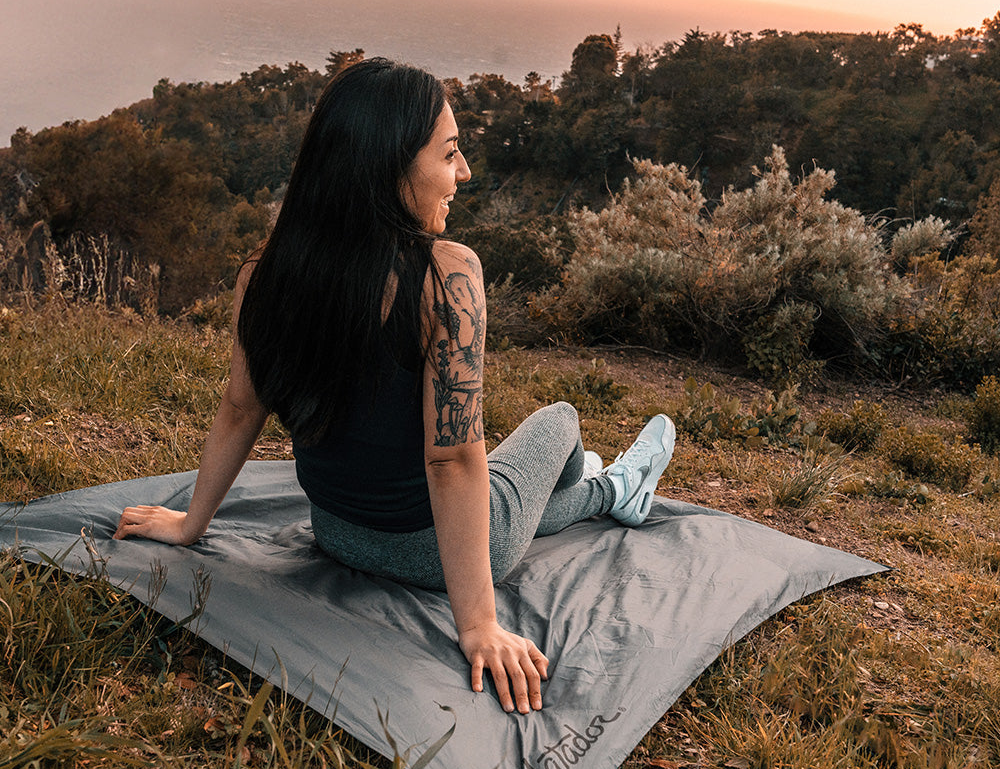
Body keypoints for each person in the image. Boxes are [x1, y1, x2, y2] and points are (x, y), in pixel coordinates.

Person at [114, 58, 675, 716]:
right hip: (448, 554)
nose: (463, 173)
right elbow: (453, 461)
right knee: (561, 420)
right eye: (451, 154)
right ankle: (608, 488)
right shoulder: (448, 275)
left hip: (339, 532)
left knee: (498, 480)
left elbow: (241, 408)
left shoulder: (263, 274)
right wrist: (478, 627)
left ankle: (598, 490)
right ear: (390, 167)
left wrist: (191, 524)